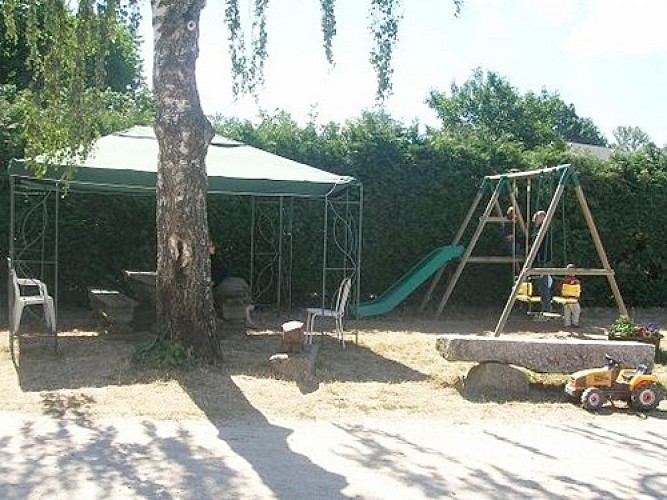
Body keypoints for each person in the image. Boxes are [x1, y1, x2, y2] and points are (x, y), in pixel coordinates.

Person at [531, 210, 553, 314]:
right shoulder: (538, 228)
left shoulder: (544, 228)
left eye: (539, 217)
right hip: (541, 258)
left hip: (545, 259)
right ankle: (543, 307)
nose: (537, 219)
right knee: (541, 284)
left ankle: (547, 308)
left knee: (544, 284)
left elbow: (539, 241)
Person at [559, 264, 581, 328]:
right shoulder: (576, 281)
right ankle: (575, 323)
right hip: (573, 299)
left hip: (566, 298)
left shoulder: (564, 280)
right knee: (576, 310)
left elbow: (559, 287)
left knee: (567, 312)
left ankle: (567, 324)